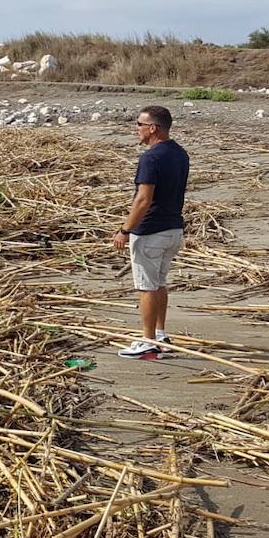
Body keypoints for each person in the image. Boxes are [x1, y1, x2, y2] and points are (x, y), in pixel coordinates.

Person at [112, 106, 189, 359]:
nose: (137, 129)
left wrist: (125, 230)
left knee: (146, 286)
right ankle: (160, 334)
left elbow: (143, 200)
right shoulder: (180, 154)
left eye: (139, 124)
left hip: (151, 232)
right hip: (173, 229)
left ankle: (147, 341)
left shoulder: (150, 158)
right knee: (158, 283)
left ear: (153, 128)